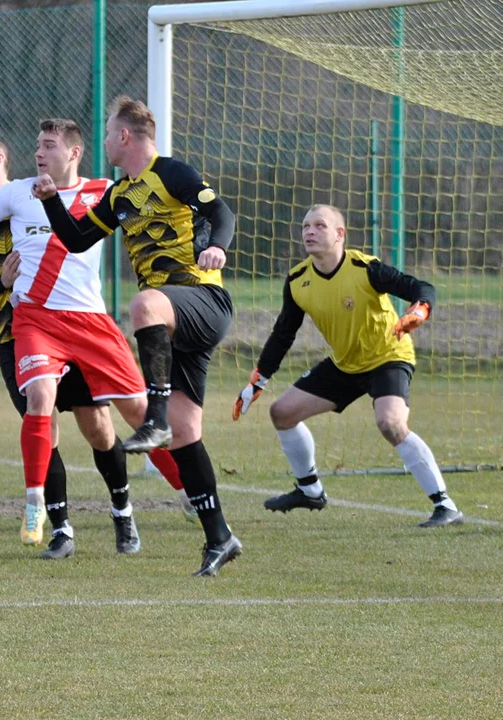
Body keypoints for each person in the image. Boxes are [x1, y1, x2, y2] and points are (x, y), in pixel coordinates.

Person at [0, 119, 166, 561]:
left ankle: (124, 512)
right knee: (43, 418)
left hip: (81, 325)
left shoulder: (50, 192)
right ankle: (57, 526)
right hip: (16, 334)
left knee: (98, 427)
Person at [33, 95, 241, 576]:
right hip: (172, 320)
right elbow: (78, 238)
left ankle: (156, 418)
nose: (104, 141)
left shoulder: (172, 172)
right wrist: (51, 203)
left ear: (124, 136)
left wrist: (220, 250)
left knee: (144, 303)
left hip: (202, 300)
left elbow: (222, 213)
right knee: (189, 434)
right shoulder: (121, 193)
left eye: (107, 133)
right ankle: (220, 537)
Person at [232, 204, 463, 528]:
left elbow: (421, 288)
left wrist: (419, 310)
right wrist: (258, 380)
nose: (309, 232)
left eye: (319, 226)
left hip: (387, 356)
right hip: (345, 364)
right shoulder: (298, 280)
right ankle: (310, 490)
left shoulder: (364, 267)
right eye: (305, 227)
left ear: (340, 234)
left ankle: (445, 505)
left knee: (390, 423)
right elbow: (284, 332)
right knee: (282, 413)